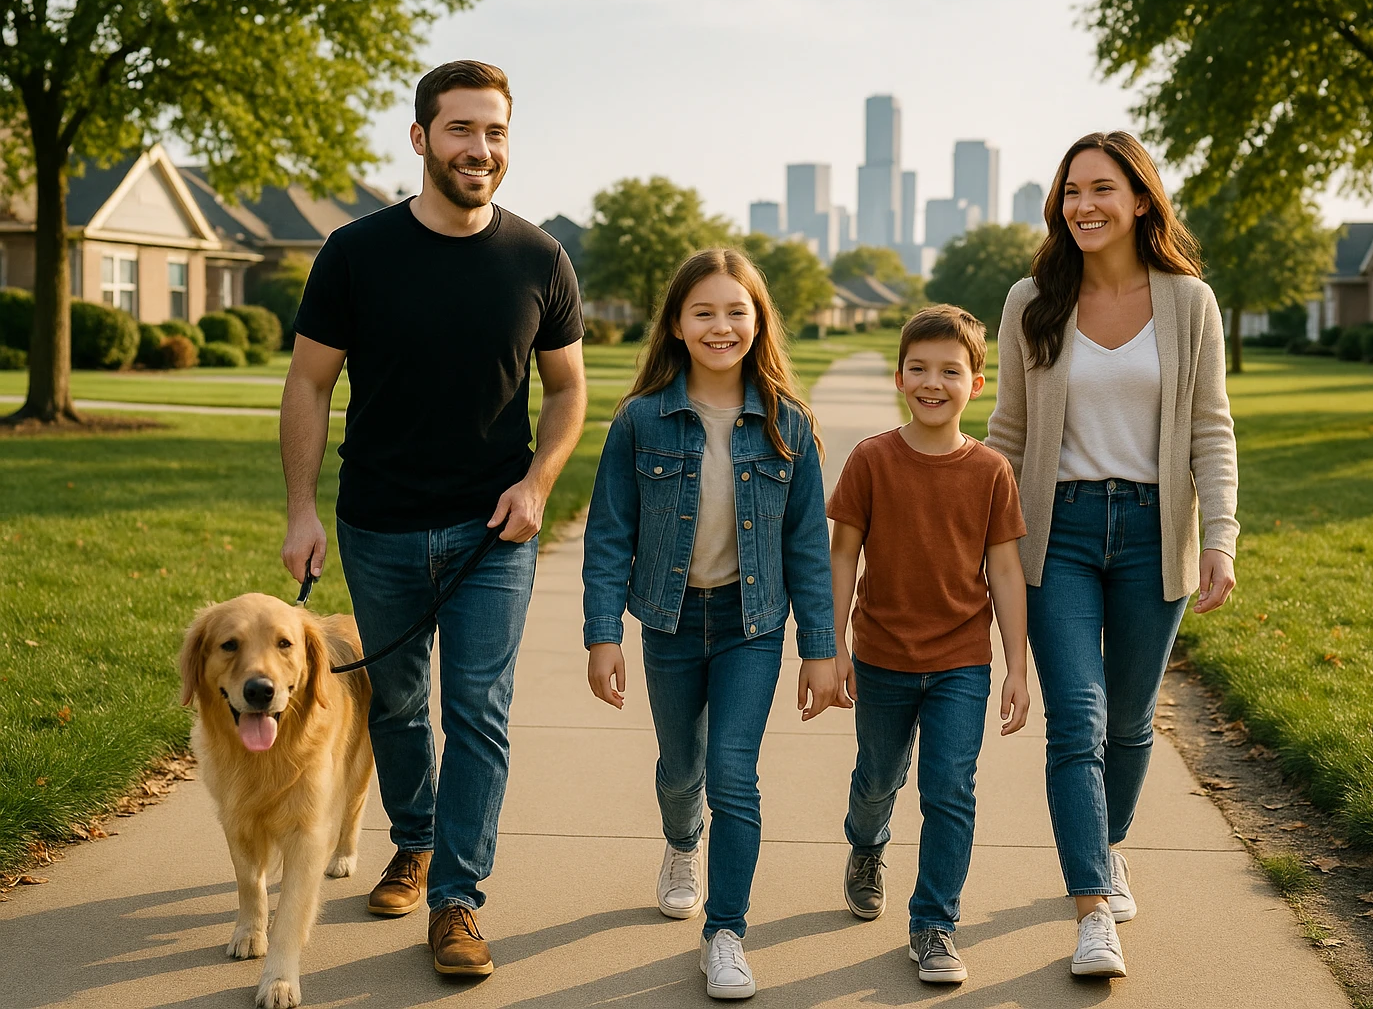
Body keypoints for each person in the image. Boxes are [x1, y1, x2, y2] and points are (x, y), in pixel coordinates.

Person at [278, 60, 588, 979]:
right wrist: (301, 509)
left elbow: (568, 391)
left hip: (493, 530)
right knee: (402, 708)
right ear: (421, 139)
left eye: (494, 132)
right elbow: (308, 382)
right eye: (460, 130)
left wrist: (537, 485)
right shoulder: (354, 253)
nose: (479, 150)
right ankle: (414, 840)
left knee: (478, 713)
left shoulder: (540, 258)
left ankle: (457, 899)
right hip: (378, 523)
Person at [985, 131, 1238, 978]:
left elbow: (1210, 428)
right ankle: (1092, 907)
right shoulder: (1032, 299)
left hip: (1152, 533)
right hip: (1055, 531)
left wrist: (1219, 537)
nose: (1082, 205)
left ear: (1140, 200)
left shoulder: (1187, 301)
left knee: (1129, 724)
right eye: (1069, 192)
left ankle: (1106, 844)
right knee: (1079, 720)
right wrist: (979, 534)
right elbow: (1009, 435)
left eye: (1101, 189)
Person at [581, 248, 840, 1000]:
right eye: (704, 311)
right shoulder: (639, 421)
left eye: (736, 311)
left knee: (733, 773)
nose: (721, 325)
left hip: (750, 625)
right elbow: (607, 535)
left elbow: (807, 551)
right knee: (680, 770)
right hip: (666, 622)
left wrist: (820, 650)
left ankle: (726, 932)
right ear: (676, 323)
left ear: (759, 323)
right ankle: (680, 843)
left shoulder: (788, 423)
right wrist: (603, 635)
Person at [826, 305, 1031, 986]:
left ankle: (934, 923)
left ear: (977, 384)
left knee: (950, 790)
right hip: (882, 654)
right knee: (878, 781)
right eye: (919, 368)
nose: (932, 382)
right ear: (899, 377)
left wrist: (1016, 669)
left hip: (961, 662)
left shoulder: (991, 471)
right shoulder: (873, 459)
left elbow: (1003, 570)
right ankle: (865, 846)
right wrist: (832, 646)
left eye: (950, 370)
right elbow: (843, 554)